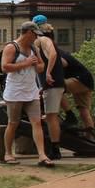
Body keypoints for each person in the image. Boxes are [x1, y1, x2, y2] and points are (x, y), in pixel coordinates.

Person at [1, 20, 51, 166]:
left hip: (31, 90)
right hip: (15, 91)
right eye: (35, 34)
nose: (36, 38)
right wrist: (26, 63)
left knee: (36, 122)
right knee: (13, 123)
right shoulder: (12, 47)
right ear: (29, 33)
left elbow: (41, 66)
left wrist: (36, 64)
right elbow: (5, 67)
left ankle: (42, 155)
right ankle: (8, 153)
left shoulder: (34, 48)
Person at [33, 22, 66, 158]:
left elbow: (52, 54)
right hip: (53, 83)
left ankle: (55, 149)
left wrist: (47, 73)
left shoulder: (43, 40)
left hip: (52, 82)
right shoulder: (49, 41)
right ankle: (54, 147)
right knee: (51, 115)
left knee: (51, 116)